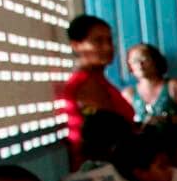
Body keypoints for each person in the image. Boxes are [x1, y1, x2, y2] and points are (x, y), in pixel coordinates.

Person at [57, 14, 135, 170]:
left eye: (109, 40)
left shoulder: (99, 79)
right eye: (98, 41)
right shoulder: (86, 83)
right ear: (76, 45)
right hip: (102, 173)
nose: (108, 47)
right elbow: (106, 131)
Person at [125, 43, 177, 129]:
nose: (140, 65)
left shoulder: (173, 86)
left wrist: (165, 119)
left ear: (155, 61)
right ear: (130, 66)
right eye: (135, 61)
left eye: (144, 59)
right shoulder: (129, 94)